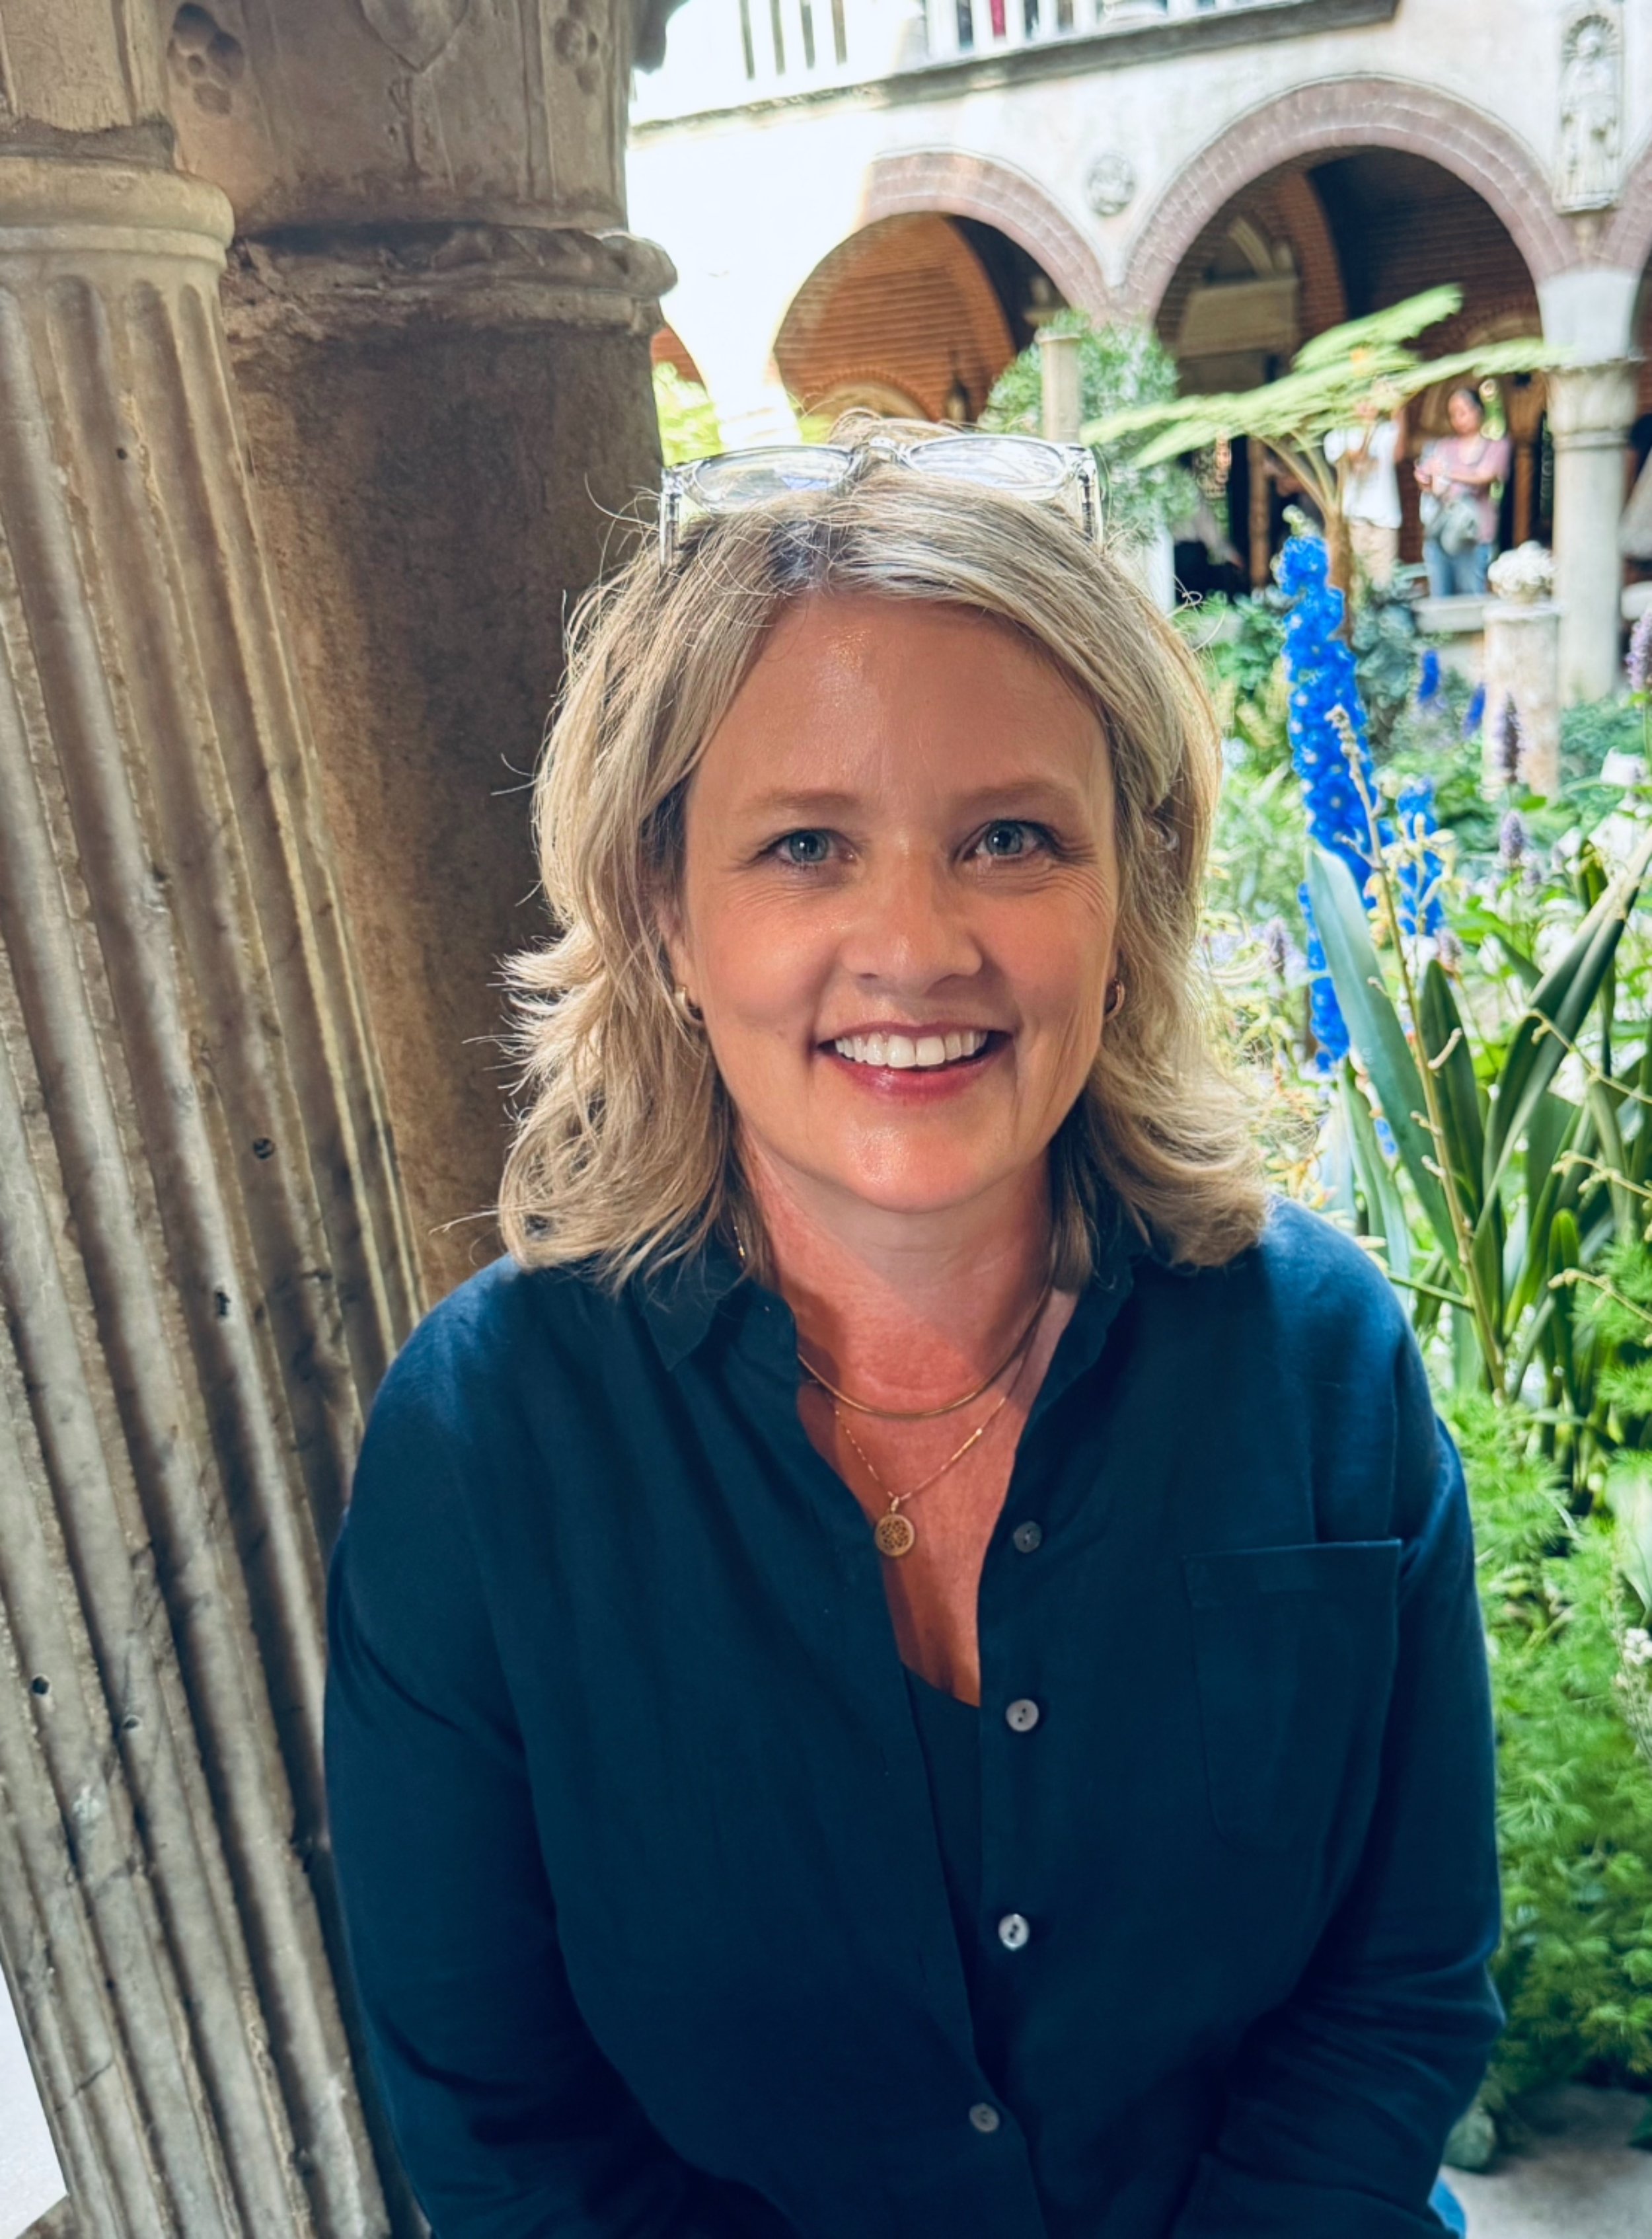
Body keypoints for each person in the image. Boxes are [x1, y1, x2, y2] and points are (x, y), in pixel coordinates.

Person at [323, 422, 1501, 2239]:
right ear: (662, 912)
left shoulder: (1318, 1364)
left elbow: (1399, 1991)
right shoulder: (487, 1450)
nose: (913, 941)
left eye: (1009, 838)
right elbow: (507, 2132)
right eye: (805, 845)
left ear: (1127, 892)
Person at [1417, 386, 1511, 597]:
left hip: (1474, 537)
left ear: (1478, 411)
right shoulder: (1443, 446)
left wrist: (1448, 473)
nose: (1458, 419)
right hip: (1442, 534)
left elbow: (1484, 478)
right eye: (1453, 414)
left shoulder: (1497, 446)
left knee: (1472, 600)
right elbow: (1433, 484)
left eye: (1463, 411)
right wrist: (1425, 479)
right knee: (1441, 599)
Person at [1326, 392, 1405, 588]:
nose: (1367, 405)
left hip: (1385, 520)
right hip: (1354, 520)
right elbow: (1357, 460)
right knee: (1357, 583)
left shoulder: (1387, 431)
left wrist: (1399, 408)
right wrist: (1368, 431)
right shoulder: (1338, 436)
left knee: (1383, 583)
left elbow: (1399, 454)